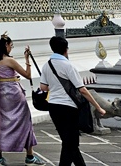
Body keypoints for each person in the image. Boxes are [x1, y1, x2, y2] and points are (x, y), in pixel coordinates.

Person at [0, 34, 41, 165]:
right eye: (11, 45)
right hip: (14, 94)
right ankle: (30, 156)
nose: (11, 48)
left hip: (1, 94)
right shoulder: (10, 60)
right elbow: (27, 75)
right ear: (6, 46)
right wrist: (27, 59)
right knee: (26, 122)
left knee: (1, 123)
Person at [38, 36, 106, 166]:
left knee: (69, 142)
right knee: (71, 143)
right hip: (68, 107)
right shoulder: (68, 66)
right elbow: (83, 90)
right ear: (66, 49)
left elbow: (43, 87)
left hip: (53, 106)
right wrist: (98, 107)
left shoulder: (47, 65)